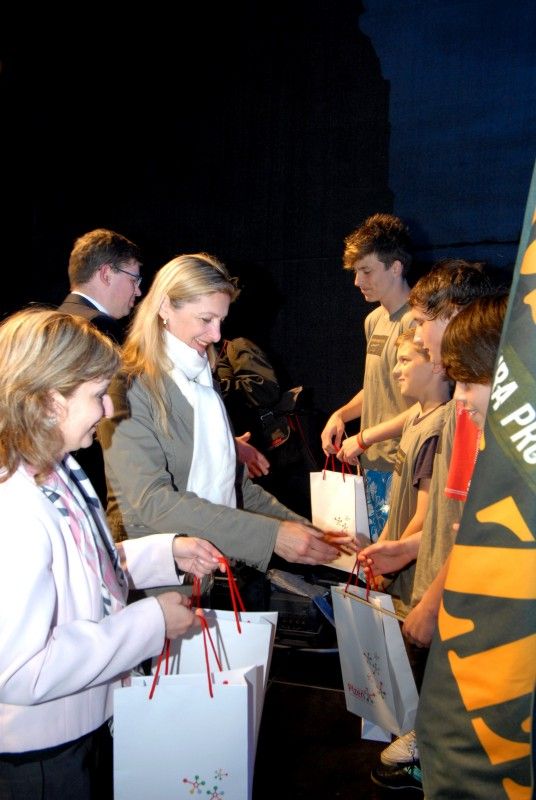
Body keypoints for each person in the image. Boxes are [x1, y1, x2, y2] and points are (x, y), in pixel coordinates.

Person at [0, 308, 224, 799]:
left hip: (80, 724)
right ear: (46, 402)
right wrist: (150, 623)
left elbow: (80, 565)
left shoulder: (51, 470)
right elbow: (20, 672)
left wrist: (166, 551)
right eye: (97, 396)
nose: (108, 411)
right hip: (41, 755)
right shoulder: (13, 507)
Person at [99, 252, 345, 591]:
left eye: (220, 321)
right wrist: (272, 536)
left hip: (210, 573)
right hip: (156, 583)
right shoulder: (127, 386)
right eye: (205, 319)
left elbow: (236, 487)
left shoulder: (201, 380)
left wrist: (313, 535)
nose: (216, 335)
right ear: (165, 307)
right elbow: (153, 503)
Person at [357, 279, 506, 794]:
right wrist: (410, 548)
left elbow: (481, 529)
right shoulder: (465, 417)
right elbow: (456, 522)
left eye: (423, 322)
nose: (417, 334)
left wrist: (433, 598)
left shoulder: (477, 423)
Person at [321, 213, 415, 539]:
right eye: (356, 272)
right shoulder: (374, 320)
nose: (358, 282)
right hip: (372, 465)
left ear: (396, 266)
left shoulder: (420, 323)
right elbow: (378, 388)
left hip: (406, 466)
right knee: (374, 565)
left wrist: (365, 437)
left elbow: (432, 409)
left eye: (366, 271)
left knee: (397, 565)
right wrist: (341, 415)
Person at [58, 228, 143, 344]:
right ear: (106, 275)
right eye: (134, 280)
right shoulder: (99, 327)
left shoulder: (54, 319)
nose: (138, 292)